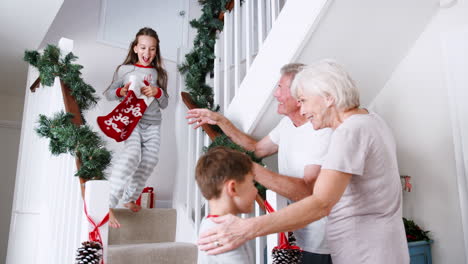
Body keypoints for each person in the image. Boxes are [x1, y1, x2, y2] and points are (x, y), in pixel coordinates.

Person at [196, 60, 410, 264]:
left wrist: (247, 228)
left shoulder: (350, 132)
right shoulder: (370, 120)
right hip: (378, 248)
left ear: (328, 98)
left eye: (304, 100)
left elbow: (320, 202)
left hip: (367, 253)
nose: (303, 109)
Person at [187, 63, 333, 263]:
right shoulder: (286, 125)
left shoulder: (322, 132)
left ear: (299, 95)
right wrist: (220, 121)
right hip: (297, 235)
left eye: (280, 88)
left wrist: (247, 168)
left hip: (320, 241)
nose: (275, 94)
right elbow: (256, 148)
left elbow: (308, 191)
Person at [103, 27, 168, 228]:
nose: (147, 53)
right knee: (131, 156)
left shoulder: (160, 73)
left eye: (152, 49)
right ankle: (108, 203)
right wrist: (122, 91)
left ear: (156, 51)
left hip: (153, 123)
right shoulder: (125, 70)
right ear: (135, 47)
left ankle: (130, 197)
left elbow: (165, 103)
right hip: (131, 121)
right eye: (143, 47)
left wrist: (158, 92)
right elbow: (109, 93)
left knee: (150, 160)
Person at [195, 146, 257, 264]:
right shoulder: (223, 233)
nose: (256, 191)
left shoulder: (211, 224)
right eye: (251, 183)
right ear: (232, 188)